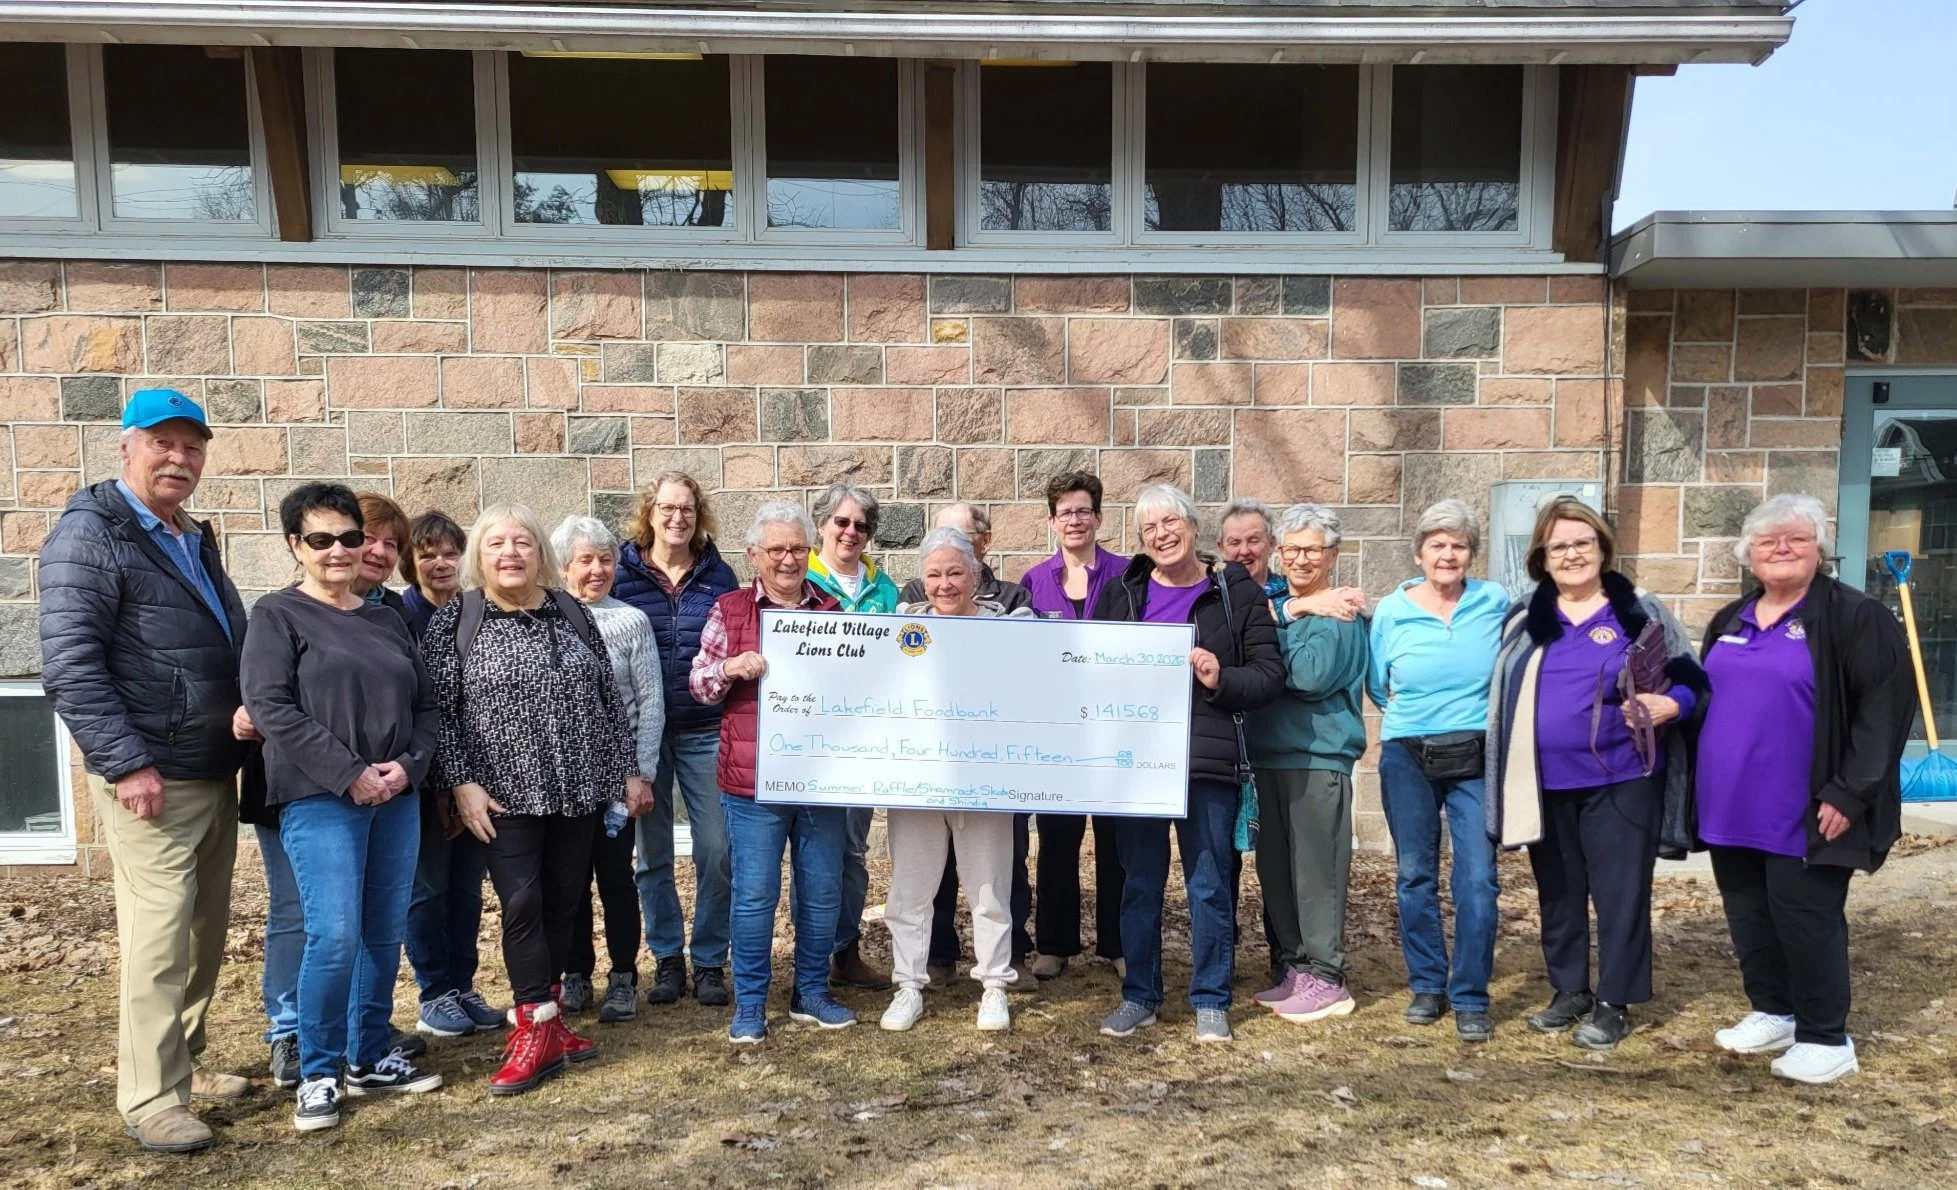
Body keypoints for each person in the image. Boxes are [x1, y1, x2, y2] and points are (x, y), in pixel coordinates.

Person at [37, 389, 253, 1153]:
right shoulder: (92, 535)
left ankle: (184, 1062)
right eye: (163, 443)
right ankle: (152, 1097)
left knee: (202, 930)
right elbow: (68, 663)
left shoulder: (189, 536)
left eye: (193, 447)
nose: (180, 458)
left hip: (207, 767)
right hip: (149, 775)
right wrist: (126, 763)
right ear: (126, 446)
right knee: (160, 939)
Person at [242, 483, 443, 1132]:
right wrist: (350, 772)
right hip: (319, 798)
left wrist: (405, 768)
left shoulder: (387, 618)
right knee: (335, 936)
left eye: (350, 538)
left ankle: (367, 1053)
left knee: (385, 930)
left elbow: (426, 709)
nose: (339, 551)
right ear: (296, 546)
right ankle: (319, 1072)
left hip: (395, 797)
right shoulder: (276, 616)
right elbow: (271, 708)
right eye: (321, 539)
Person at [1693, 494, 1912, 1084]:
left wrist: (1850, 791)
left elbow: (1883, 710)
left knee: (1805, 915)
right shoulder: (1731, 619)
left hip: (1809, 805)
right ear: (1749, 554)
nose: (1781, 549)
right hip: (1730, 802)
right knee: (1748, 912)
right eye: (1768, 541)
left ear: (1819, 549)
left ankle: (1825, 1036)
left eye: (1796, 538)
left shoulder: (1854, 617)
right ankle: (1775, 1010)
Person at [425, 504, 638, 1095]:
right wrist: (460, 783)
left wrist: (625, 770)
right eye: (497, 544)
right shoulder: (458, 619)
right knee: (521, 904)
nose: (510, 553)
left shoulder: (570, 611)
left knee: (563, 905)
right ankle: (532, 1029)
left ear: (541, 553)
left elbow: (607, 698)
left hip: (578, 789)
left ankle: (551, 1022)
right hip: (502, 795)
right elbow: (439, 712)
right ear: (479, 556)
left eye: (522, 542)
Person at [1485, 499, 1708, 1051]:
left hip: (1623, 777)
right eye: (1559, 546)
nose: (1572, 554)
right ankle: (1569, 991)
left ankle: (1614, 1001)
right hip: (1541, 782)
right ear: (1542, 556)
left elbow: (1693, 681)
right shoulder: (1524, 619)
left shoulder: (1640, 611)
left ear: (1603, 548)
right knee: (1557, 892)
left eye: (1583, 542)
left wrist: (1670, 705)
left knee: (1620, 891)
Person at [1093, 484, 1283, 1043]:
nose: (1162, 534)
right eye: (1150, 528)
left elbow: (1270, 676)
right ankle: (1140, 996)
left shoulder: (1235, 593)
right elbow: (1091, 670)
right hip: (1139, 765)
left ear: (1194, 528)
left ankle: (1210, 1000)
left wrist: (1220, 678)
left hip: (1207, 765)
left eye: (1170, 522)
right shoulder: (1121, 596)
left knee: (1208, 885)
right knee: (1139, 885)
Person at [690, 501, 853, 1044]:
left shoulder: (832, 612)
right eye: (777, 549)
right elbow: (699, 684)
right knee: (755, 894)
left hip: (820, 777)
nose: (788, 559)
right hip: (751, 781)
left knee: (823, 889)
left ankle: (811, 992)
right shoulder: (731, 609)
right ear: (753, 554)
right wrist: (731, 667)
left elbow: (856, 693)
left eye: (798, 549)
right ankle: (751, 1004)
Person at [881, 528, 1039, 1033]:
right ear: (920, 580)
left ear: (975, 575)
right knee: (910, 888)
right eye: (934, 574)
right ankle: (908, 984)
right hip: (918, 779)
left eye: (954, 573)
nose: (944, 584)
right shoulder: (900, 627)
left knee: (989, 888)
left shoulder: (1011, 626)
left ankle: (994, 985)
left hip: (985, 780)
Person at [1368, 498, 1509, 1042]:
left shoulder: (1494, 601)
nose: (1448, 555)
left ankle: (1470, 993)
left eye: (1459, 545)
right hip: (1407, 752)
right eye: (1437, 545)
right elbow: (1378, 682)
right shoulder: (1392, 609)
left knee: (1478, 878)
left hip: (1476, 752)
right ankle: (1428, 983)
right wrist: (1417, 717)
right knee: (1414, 875)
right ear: (1419, 552)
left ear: (1471, 554)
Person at [612, 472, 740, 1009]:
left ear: (699, 514)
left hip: (704, 728)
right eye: (666, 508)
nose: (677, 518)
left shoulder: (718, 573)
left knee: (717, 850)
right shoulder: (622, 574)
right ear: (650, 512)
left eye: (686, 508)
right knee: (652, 853)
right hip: (644, 734)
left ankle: (709, 960)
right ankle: (666, 957)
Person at [1245, 505, 1369, 1026]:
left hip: (1317, 760)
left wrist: (1265, 648)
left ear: (1332, 556)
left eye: (1312, 550)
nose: (1299, 559)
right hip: (1271, 759)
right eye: (1291, 549)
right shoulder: (1297, 608)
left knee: (1316, 874)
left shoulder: (1338, 614)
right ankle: (1297, 969)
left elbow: (1310, 675)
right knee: (1278, 873)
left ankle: (1328, 977)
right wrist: (1287, 620)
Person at [552, 515, 665, 1023]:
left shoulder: (630, 622)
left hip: (619, 777)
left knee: (617, 879)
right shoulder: (546, 618)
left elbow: (651, 701)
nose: (597, 570)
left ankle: (623, 978)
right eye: (585, 561)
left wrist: (641, 773)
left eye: (606, 560)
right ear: (562, 566)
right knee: (567, 882)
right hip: (564, 778)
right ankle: (575, 974)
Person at [1018, 472, 1128, 981]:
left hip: (1114, 727)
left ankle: (1118, 942)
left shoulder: (1131, 575)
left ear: (1099, 518)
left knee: (1117, 839)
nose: (1076, 520)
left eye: (1084, 511)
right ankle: (1055, 944)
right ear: (1052, 522)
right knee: (1057, 838)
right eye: (1066, 512)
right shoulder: (1034, 581)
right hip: (1057, 731)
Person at [398, 510, 503, 1040]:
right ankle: (434, 992)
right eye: (426, 554)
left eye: (448, 553)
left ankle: (463, 986)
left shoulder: (472, 611)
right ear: (409, 561)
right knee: (428, 887)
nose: (440, 563)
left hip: (475, 776)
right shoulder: (402, 616)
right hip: (424, 778)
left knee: (466, 887)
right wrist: (440, 785)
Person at [803, 483, 900, 991]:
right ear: (821, 525)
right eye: (841, 522)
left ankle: (845, 951)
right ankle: (811, 956)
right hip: (812, 741)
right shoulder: (801, 580)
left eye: (860, 525)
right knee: (815, 849)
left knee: (853, 852)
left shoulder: (887, 591)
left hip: (868, 742)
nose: (850, 532)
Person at [400, 511, 465, 640]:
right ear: (411, 566)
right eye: (428, 557)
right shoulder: (399, 617)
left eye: (450, 554)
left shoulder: (479, 611)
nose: (441, 564)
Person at [1219, 498, 1286, 607]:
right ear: (1221, 548)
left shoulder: (1290, 596)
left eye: (1253, 541)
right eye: (1235, 543)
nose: (1244, 551)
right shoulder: (1210, 598)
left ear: (1271, 544)